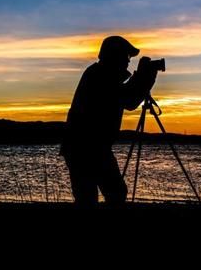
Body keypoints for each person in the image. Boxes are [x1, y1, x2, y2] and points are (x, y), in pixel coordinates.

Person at [60, 35, 157, 206]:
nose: (128, 62)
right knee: (110, 193)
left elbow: (125, 97)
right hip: (88, 147)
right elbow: (128, 100)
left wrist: (142, 79)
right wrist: (144, 78)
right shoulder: (101, 76)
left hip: (85, 147)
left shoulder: (100, 74)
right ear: (114, 56)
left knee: (96, 196)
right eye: (126, 56)